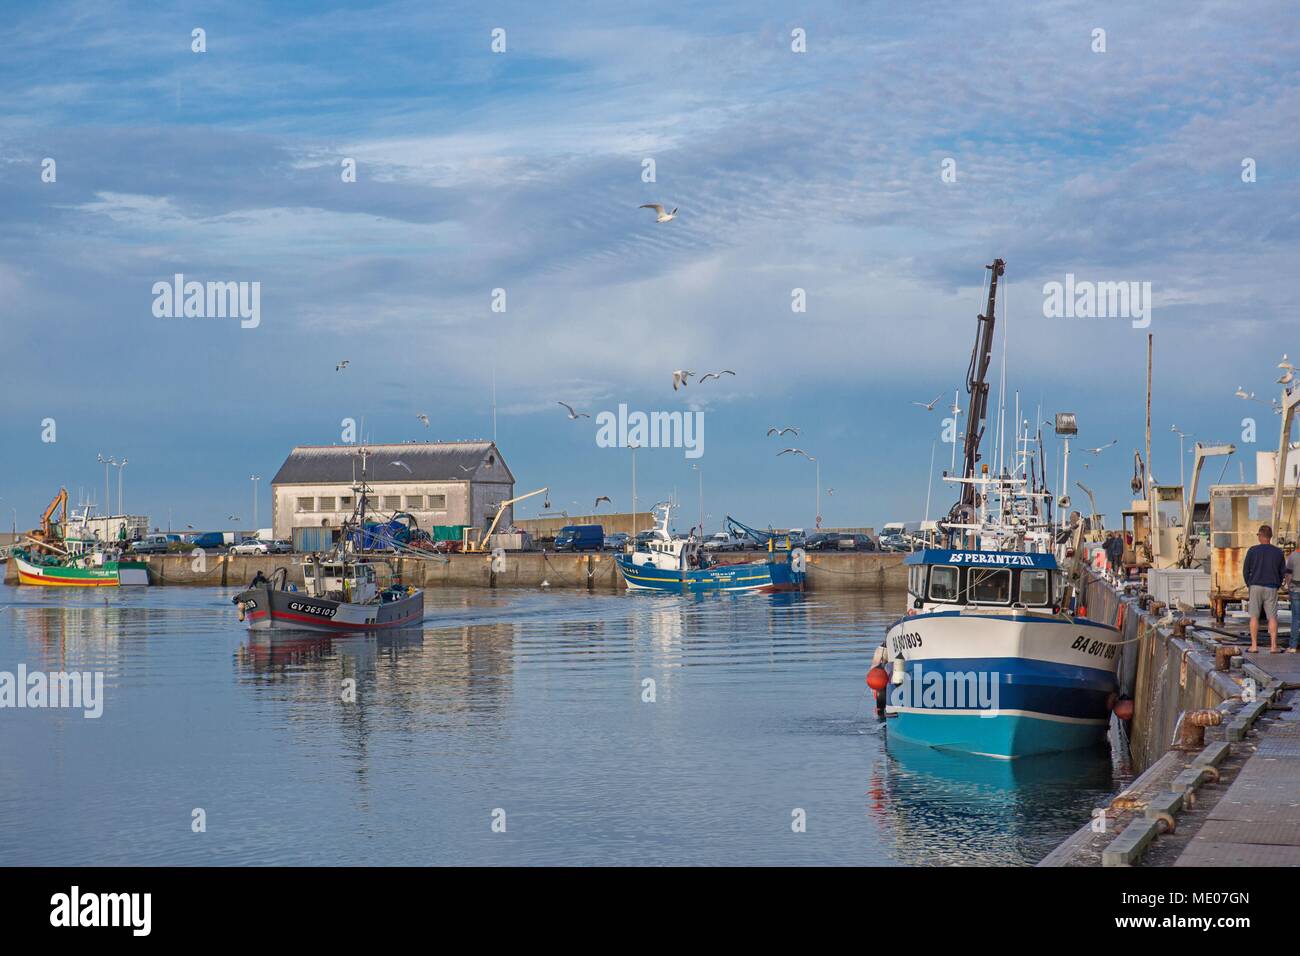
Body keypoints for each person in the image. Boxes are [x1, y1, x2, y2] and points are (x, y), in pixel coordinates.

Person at [1243, 524, 1287, 653]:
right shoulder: (1278, 552)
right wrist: (1277, 584)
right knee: (1272, 617)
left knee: (1254, 617)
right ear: (1270, 537)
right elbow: (1282, 571)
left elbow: (1245, 570)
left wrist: (1249, 583)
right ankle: (1273, 646)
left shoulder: (1252, 551)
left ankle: (1254, 645)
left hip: (1255, 585)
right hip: (1271, 587)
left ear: (1260, 536)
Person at [1285, 546, 1300, 653]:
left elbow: (1288, 574)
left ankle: (1293, 646)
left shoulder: (1292, 556)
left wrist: (1288, 586)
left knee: (1296, 618)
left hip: (1295, 589)